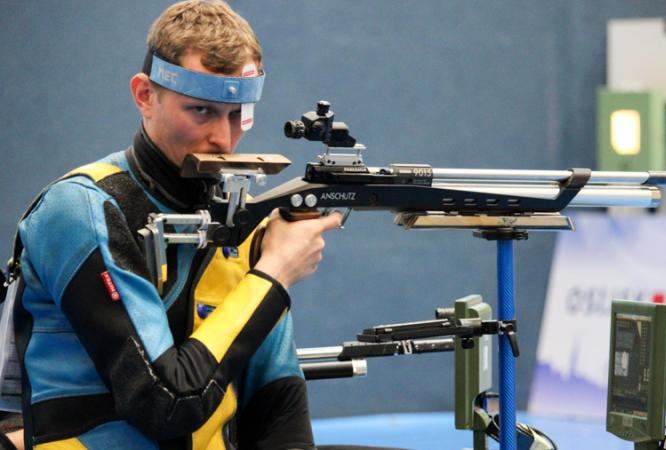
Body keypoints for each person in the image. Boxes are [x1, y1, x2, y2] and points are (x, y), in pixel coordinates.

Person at [8, 2, 409, 449]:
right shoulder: (82, 211)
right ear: (145, 95)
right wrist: (274, 274)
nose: (223, 137)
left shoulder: (244, 219)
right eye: (201, 111)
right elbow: (165, 403)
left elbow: (278, 407)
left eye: (239, 114)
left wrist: (266, 269)